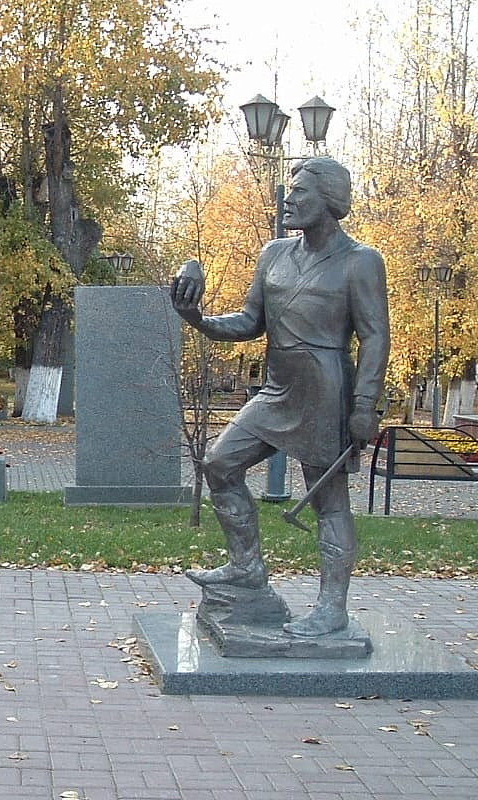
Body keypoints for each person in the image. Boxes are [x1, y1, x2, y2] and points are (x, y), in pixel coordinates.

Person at [170, 157, 390, 637]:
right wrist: (198, 319)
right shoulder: (274, 254)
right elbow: (251, 321)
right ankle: (246, 569)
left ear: (329, 200)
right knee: (219, 464)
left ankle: (331, 608)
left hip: (327, 390)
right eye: (289, 191)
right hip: (277, 387)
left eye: (300, 192)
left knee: (328, 500)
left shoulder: (360, 261)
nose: (288, 200)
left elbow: (375, 337)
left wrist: (364, 405)